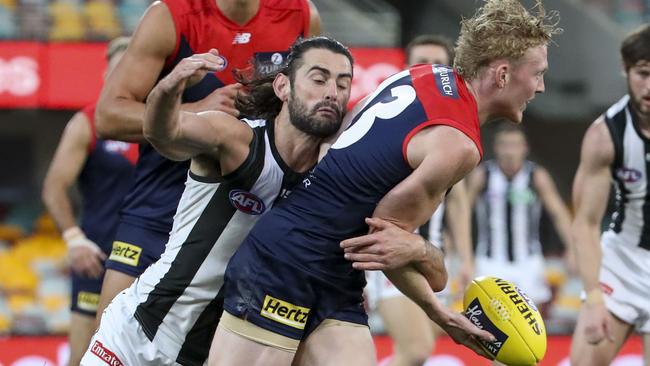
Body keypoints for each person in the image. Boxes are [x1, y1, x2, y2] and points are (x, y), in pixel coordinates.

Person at [209, 0, 562, 365]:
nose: (541, 87)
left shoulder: (423, 74)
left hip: (334, 272)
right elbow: (387, 241)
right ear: (502, 75)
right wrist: (435, 288)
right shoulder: (459, 144)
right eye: (537, 74)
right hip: (288, 263)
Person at [81, 37, 432, 366]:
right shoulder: (235, 138)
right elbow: (164, 134)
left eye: (342, 84)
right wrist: (168, 88)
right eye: (319, 79)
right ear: (283, 87)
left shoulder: (335, 182)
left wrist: (423, 252)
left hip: (207, 354)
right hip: (135, 338)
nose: (331, 93)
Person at [93, 0, 321, 320]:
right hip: (161, 209)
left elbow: (317, 112)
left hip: (252, 213)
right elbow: (108, 117)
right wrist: (196, 112)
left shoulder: (300, 15)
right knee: (109, 340)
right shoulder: (170, 16)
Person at [361, 33, 475, 366]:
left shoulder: (453, 128)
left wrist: (465, 259)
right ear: (404, 69)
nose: (430, 71)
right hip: (391, 258)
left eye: (438, 65)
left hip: (434, 258)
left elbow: (458, 201)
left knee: (423, 349)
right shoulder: (384, 121)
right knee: (416, 351)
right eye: (420, 63)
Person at [41, 37, 138, 366]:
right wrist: (74, 239)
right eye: (116, 71)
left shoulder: (167, 123)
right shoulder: (89, 122)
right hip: (99, 258)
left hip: (154, 258)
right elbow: (55, 185)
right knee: (83, 358)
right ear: (104, 76)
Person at [570, 24, 650, 366]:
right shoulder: (605, 135)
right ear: (626, 70)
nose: (649, 87)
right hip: (624, 263)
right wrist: (593, 299)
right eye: (643, 74)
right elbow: (585, 223)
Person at [466, 124, 572, 319]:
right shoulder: (483, 175)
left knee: (532, 321)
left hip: (528, 260)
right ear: (496, 148)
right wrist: (463, 255)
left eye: (514, 145)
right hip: (490, 260)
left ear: (525, 148)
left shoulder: (536, 176)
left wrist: (573, 248)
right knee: (489, 319)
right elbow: (462, 213)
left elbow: (558, 213)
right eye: (504, 145)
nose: (509, 151)